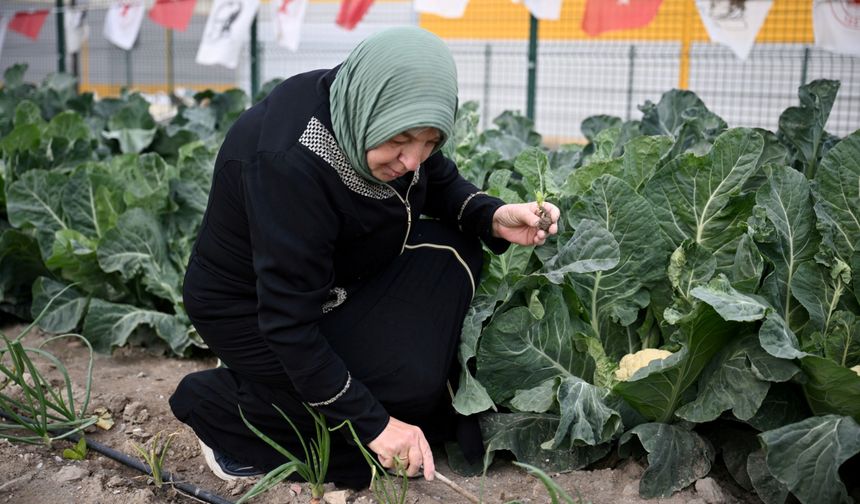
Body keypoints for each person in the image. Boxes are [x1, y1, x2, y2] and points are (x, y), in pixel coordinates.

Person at [169, 26, 560, 487]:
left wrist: (491, 215)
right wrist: (375, 425)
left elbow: (435, 176)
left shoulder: (362, 102)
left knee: (455, 252)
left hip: (336, 281)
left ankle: (317, 385)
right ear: (372, 109)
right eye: (402, 141)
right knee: (404, 402)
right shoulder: (288, 165)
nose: (413, 160)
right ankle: (228, 412)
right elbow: (289, 323)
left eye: (430, 141)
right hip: (255, 313)